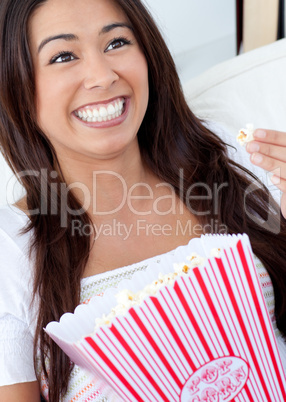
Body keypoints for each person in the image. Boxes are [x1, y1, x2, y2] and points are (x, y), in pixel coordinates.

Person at [0, 0, 286, 401]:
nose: (102, 75)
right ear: (17, 88)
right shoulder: (11, 251)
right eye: (63, 55)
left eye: (117, 42)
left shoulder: (230, 159)